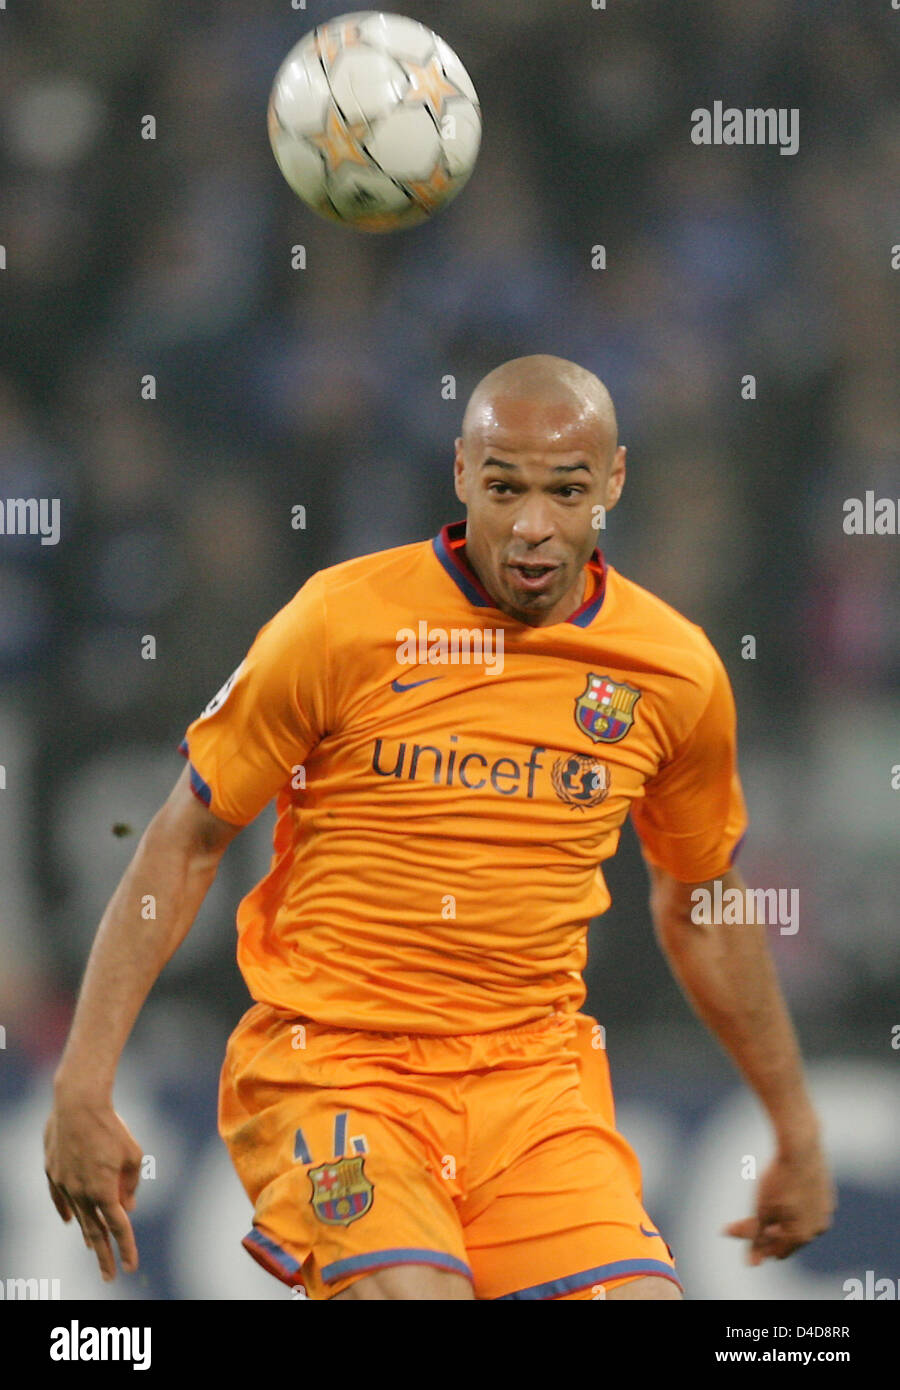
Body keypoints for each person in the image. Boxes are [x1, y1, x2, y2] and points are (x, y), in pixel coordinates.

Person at [44, 354, 834, 1300]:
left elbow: (702, 899)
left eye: (566, 490)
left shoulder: (674, 672)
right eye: (505, 488)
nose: (533, 527)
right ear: (462, 475)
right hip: (338, 1071)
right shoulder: (339, 623)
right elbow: (184, 842)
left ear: (613, 483)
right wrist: (82, 1082)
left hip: (534, 1088)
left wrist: (794, 1125)